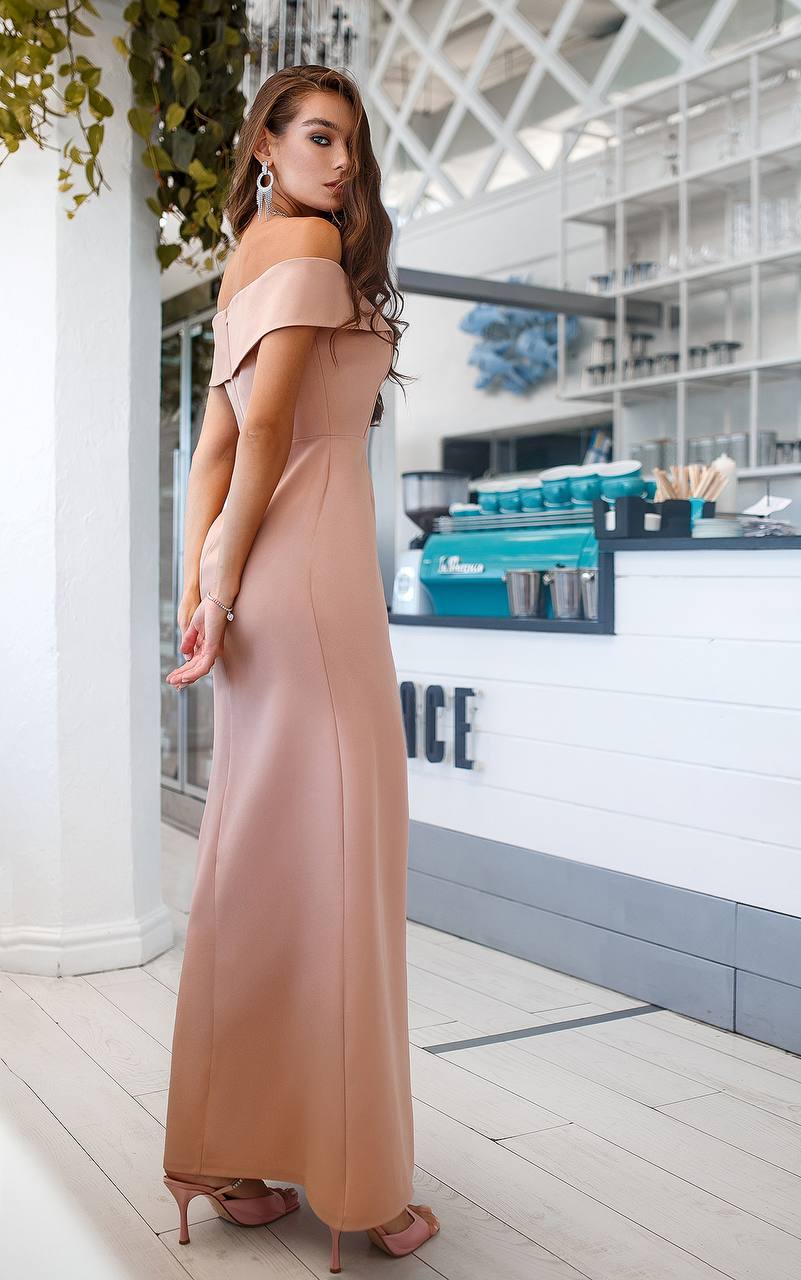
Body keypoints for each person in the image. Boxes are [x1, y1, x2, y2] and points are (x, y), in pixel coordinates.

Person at [159, 64, 439, 1274]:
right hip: (314, 584)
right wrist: (221, 587)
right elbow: (265, 431)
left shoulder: (246, 260)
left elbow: (209, 451)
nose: (339, 163)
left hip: (261, 584)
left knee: (261, 860)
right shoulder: (312, 254)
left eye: (350, 145)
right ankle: (362, 1183)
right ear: (263, 143)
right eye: (317, 136)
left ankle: (230, 1147)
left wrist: (201, 587)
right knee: (347, 865)